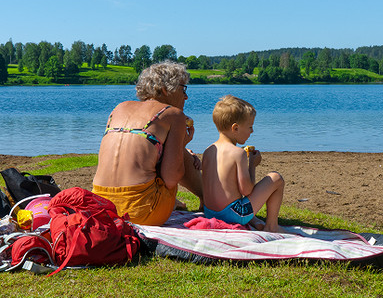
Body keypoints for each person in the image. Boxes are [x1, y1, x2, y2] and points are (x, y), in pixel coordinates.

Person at [92, 61, 203, 226]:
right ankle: (208, 200)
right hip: (141, 212)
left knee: (159, 148)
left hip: (101, 206)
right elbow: (172, 179)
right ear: (165, 89)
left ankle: (178, 203)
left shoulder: (119, 108)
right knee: (180, 154)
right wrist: (180, 147)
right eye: (183, 88)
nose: (186, 96)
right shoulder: (173, 114)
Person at [201, 95, 285, 232]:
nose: (252, 131)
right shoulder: (237, 153)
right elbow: (246, 190)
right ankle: (272, 226)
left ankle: (256, 222)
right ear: (235, 128)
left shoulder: (208, 151)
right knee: (276, 178)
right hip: (234, 214)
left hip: (211, 213)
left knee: (234, 200)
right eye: (250, 127)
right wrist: (252, 165)